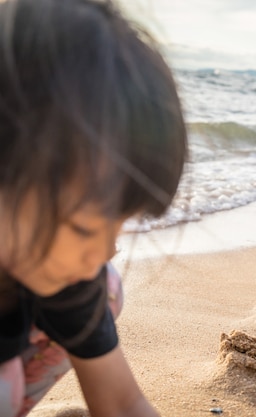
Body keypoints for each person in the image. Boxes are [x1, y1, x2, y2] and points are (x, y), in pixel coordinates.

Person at [0, 0, 187, 415]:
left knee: (107, 289)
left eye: (119, 225)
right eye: (85, 229)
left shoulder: (56, 264)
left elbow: (122, 403)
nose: (106, 252)